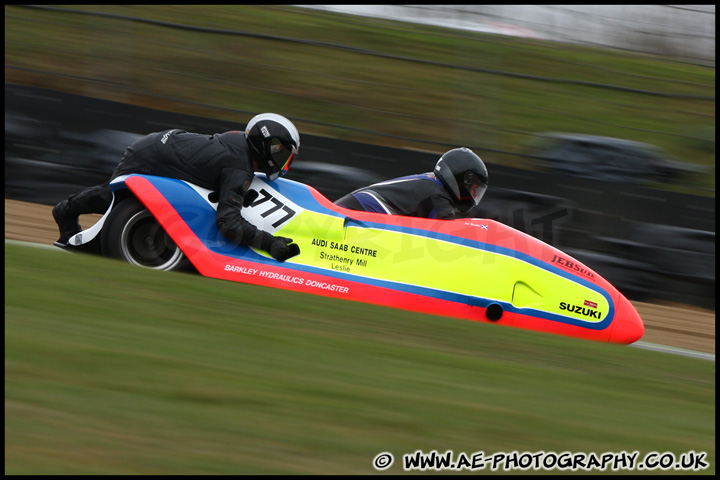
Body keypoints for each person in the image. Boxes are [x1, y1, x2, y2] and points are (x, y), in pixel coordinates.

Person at [52, 113, 301, 262]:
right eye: (280, 151)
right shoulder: (239, 166)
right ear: (264, 144)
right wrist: (269, 243)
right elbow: (228, 221)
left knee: (115, 198)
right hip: (151, 155)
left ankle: (67, 209)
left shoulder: (241, 145)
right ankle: (66, 210)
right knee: (114, 199)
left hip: (163, 144)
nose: (282, 159)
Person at [335, 147, 488, 219]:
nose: (474, 195)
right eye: (473, 189)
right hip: (348, 216)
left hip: (348, 212)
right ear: (462, 180)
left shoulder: (431, 184)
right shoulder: (437, 195)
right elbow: (448, 236)